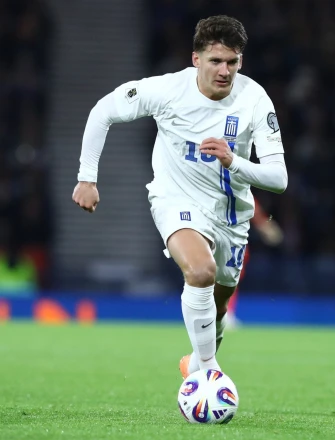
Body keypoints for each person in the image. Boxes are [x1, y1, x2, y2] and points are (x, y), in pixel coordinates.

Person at [72, 15, 287, 379]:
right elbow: (103, 111)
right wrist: (86, 178)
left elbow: (278, 178)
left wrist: (233, 161)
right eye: (215, 61)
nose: (224, 71)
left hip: (231, 216)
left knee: (219, 309)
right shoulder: (168, 90)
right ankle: (208, 374)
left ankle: (197, 363)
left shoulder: (254, 99)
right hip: (176, 201)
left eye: (232, 62)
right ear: (196, 59)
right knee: (200, 271)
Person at [226, 197, 284, 328]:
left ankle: (224, 313)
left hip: (232, 240)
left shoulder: (239, 192)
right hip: (224, 238)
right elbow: (256, 213)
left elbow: (255, 211)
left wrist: (265, 225)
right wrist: (265, 225)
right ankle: (221, 314)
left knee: (229, 279)